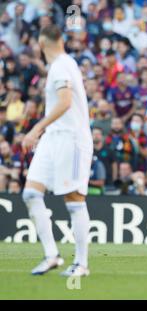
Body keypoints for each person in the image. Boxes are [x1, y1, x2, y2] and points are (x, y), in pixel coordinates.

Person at [21, 25, 93, 277]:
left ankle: (81, 264)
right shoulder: (60, 66)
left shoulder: (62, 65)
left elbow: (64, 102)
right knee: (30, 193)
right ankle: (52, 255)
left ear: (41, 44)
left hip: (71, 140)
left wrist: (35, 129)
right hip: (53, 138)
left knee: (73, 199)